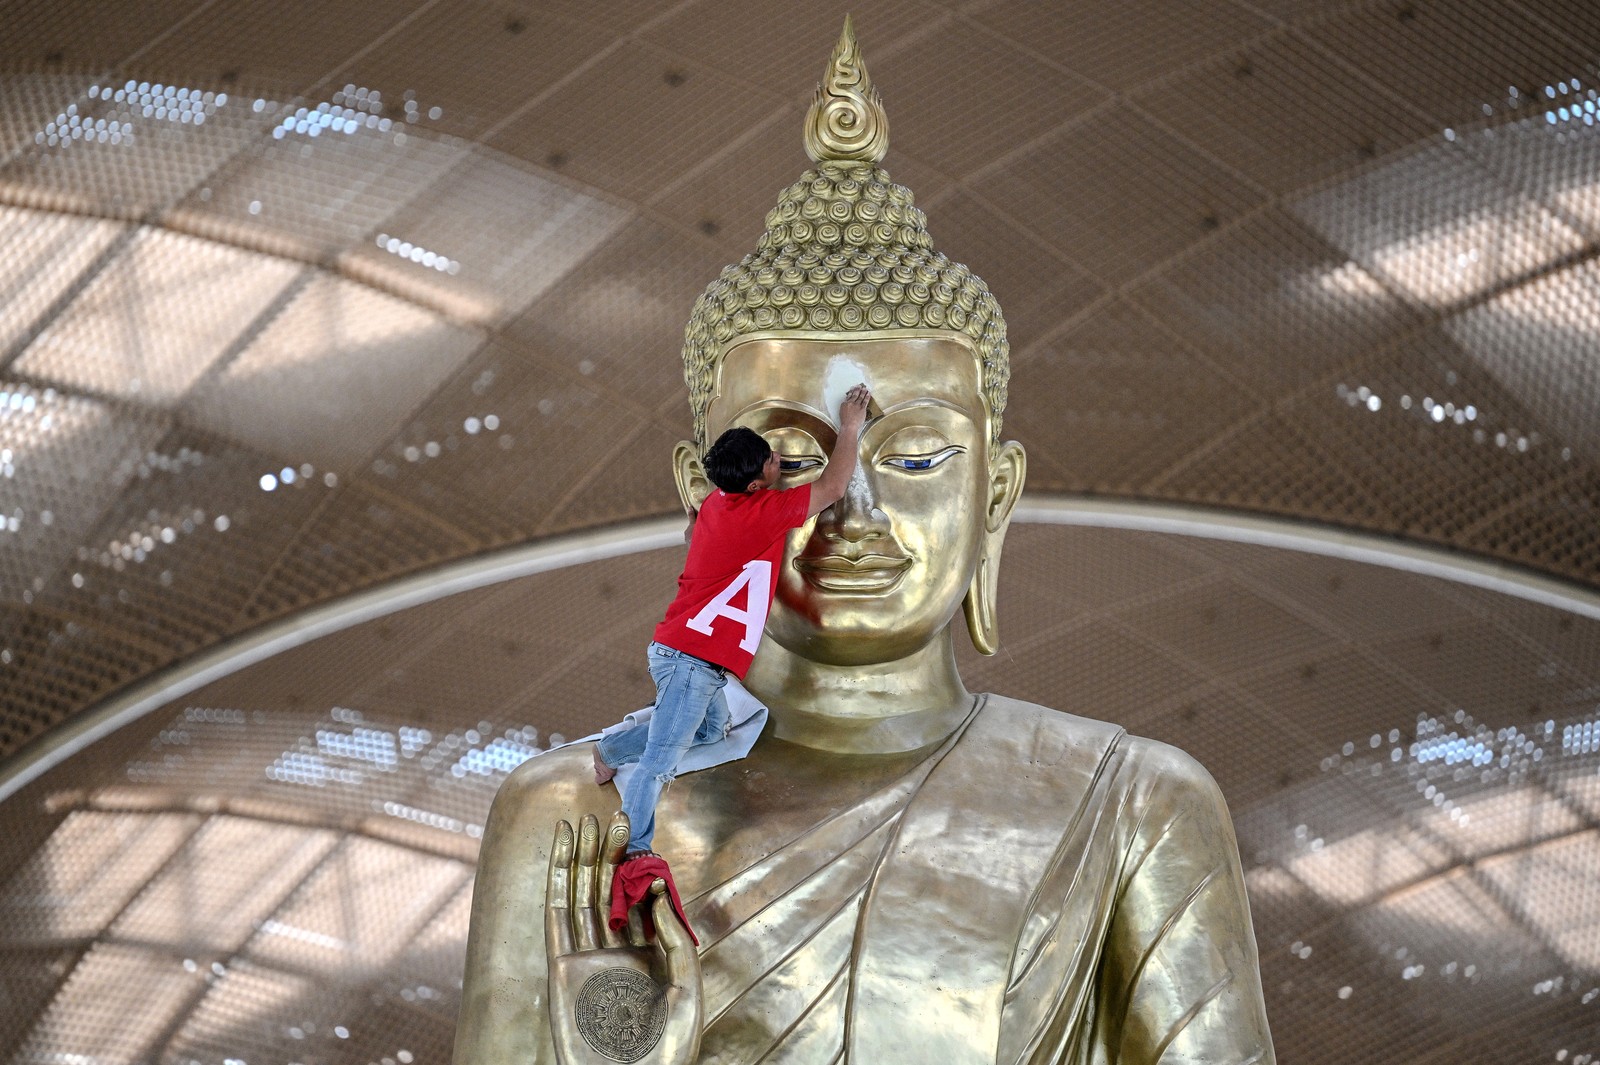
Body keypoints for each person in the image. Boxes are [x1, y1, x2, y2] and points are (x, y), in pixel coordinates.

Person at [454, 21, 1273, 1065]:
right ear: (699, 495)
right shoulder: (579, 823)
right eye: (785, 463)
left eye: (923, 458)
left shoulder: (1135, 806)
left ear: (997, 493)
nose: (853, 515)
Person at [593, 385, 871, 857]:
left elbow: (692, 533)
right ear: (758, 487)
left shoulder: (718, 504)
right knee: (660, 764)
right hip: (690, 663)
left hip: (689, 655)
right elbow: (834, 488)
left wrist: (695, 525)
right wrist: (849, 427)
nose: (779, 456)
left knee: (708, 731)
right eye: (771, 460)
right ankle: (635, 853)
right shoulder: (760, 513)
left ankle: (611, 751)